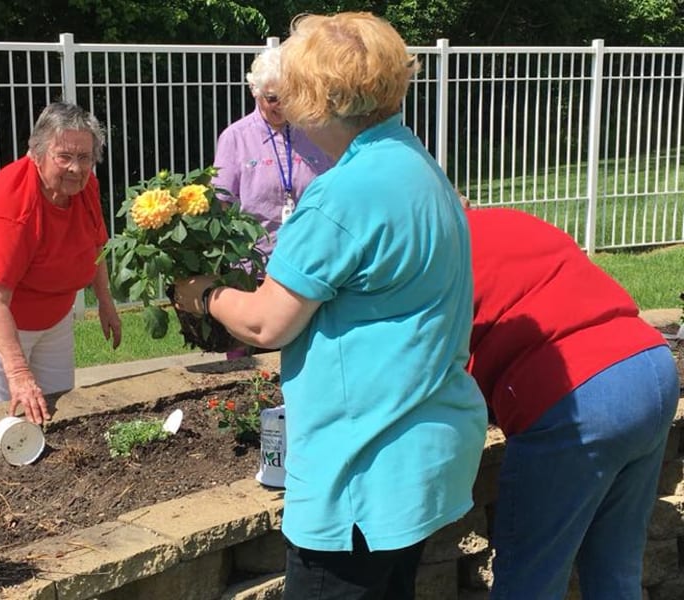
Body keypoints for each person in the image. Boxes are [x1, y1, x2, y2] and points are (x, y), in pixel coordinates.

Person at [173, 13, 488, 599]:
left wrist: (204, 294)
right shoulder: (418, 167)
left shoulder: (342, 194)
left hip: (359, 478)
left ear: (318, 98)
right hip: (418, 458)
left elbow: (266, 322)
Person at [465, 207, 679, 600]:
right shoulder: (512, 220)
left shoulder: (437, 252)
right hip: (651, 365)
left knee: (530, 578)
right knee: (615, 568)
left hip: (577, 399)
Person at [0, 102, 121, 423]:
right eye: (64, 157)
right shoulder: (12, 204)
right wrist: (18, 373)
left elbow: (96, 247)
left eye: (85, 157)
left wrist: (106, 302)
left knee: (59, 412)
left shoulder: (85, 188)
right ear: (36, 153)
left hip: (52, 314)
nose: (76, 168)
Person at [212, 45, 334, 260]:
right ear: (254, 91)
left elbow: (334, 192)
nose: (283, 105)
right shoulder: (235, 137)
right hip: (256, 261)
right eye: (273, 98)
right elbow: (221, 203)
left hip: (310, 259)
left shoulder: (314, 133)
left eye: (290, 96)